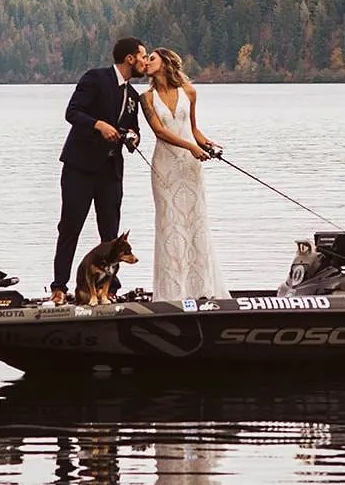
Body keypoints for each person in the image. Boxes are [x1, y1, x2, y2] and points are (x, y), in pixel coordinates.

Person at [51, 37, 148, 305]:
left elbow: (134, 128)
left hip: (111, 171)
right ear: (130, 58)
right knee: (70, 227)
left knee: (111, 234)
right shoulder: (95, 78)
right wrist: (99, 125)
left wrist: (133, 137)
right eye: (143, 56)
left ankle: (109, 289)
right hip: (79, 168)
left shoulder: (133, 96)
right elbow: (72, 113)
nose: (145, 61)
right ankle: (59, 287)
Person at [139, 47, 227, 301]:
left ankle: (202, 289)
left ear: (165, 62)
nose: (146, 62)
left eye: (151, 58)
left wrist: (208, 144)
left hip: (191, 167)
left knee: (195, 222)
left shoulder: (189, 91)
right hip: (165, 167)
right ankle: (172, 293)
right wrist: (191, 146)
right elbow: (160, 132)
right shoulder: (146, 98)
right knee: (170, 224)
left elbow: (193, 129)